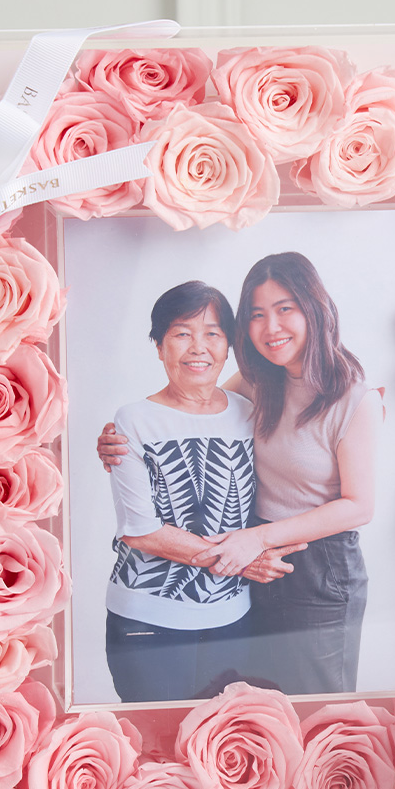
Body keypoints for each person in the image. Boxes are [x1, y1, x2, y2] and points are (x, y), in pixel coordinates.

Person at [102, 254, 380, 695]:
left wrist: (256, 543)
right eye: (256, 314)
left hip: (313, 565)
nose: (271, 327)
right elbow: (192, 405)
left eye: (285, 308)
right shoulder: (257, 383)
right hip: (247, 571)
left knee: (317, 705)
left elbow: (360, 506)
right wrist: (118, 441)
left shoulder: (354, 398)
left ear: (315, 307)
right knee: (259, 710)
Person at [103, 280, 304, 703]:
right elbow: (141, 532)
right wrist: (242, 562)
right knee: (157, 744)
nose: (198, 348)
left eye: (212, 333)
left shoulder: (249, 414)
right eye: (181, 334)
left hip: (233, 618)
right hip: (150, 621)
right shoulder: (133, 421)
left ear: (228, 346)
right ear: (159, 346)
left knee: (220, 739)